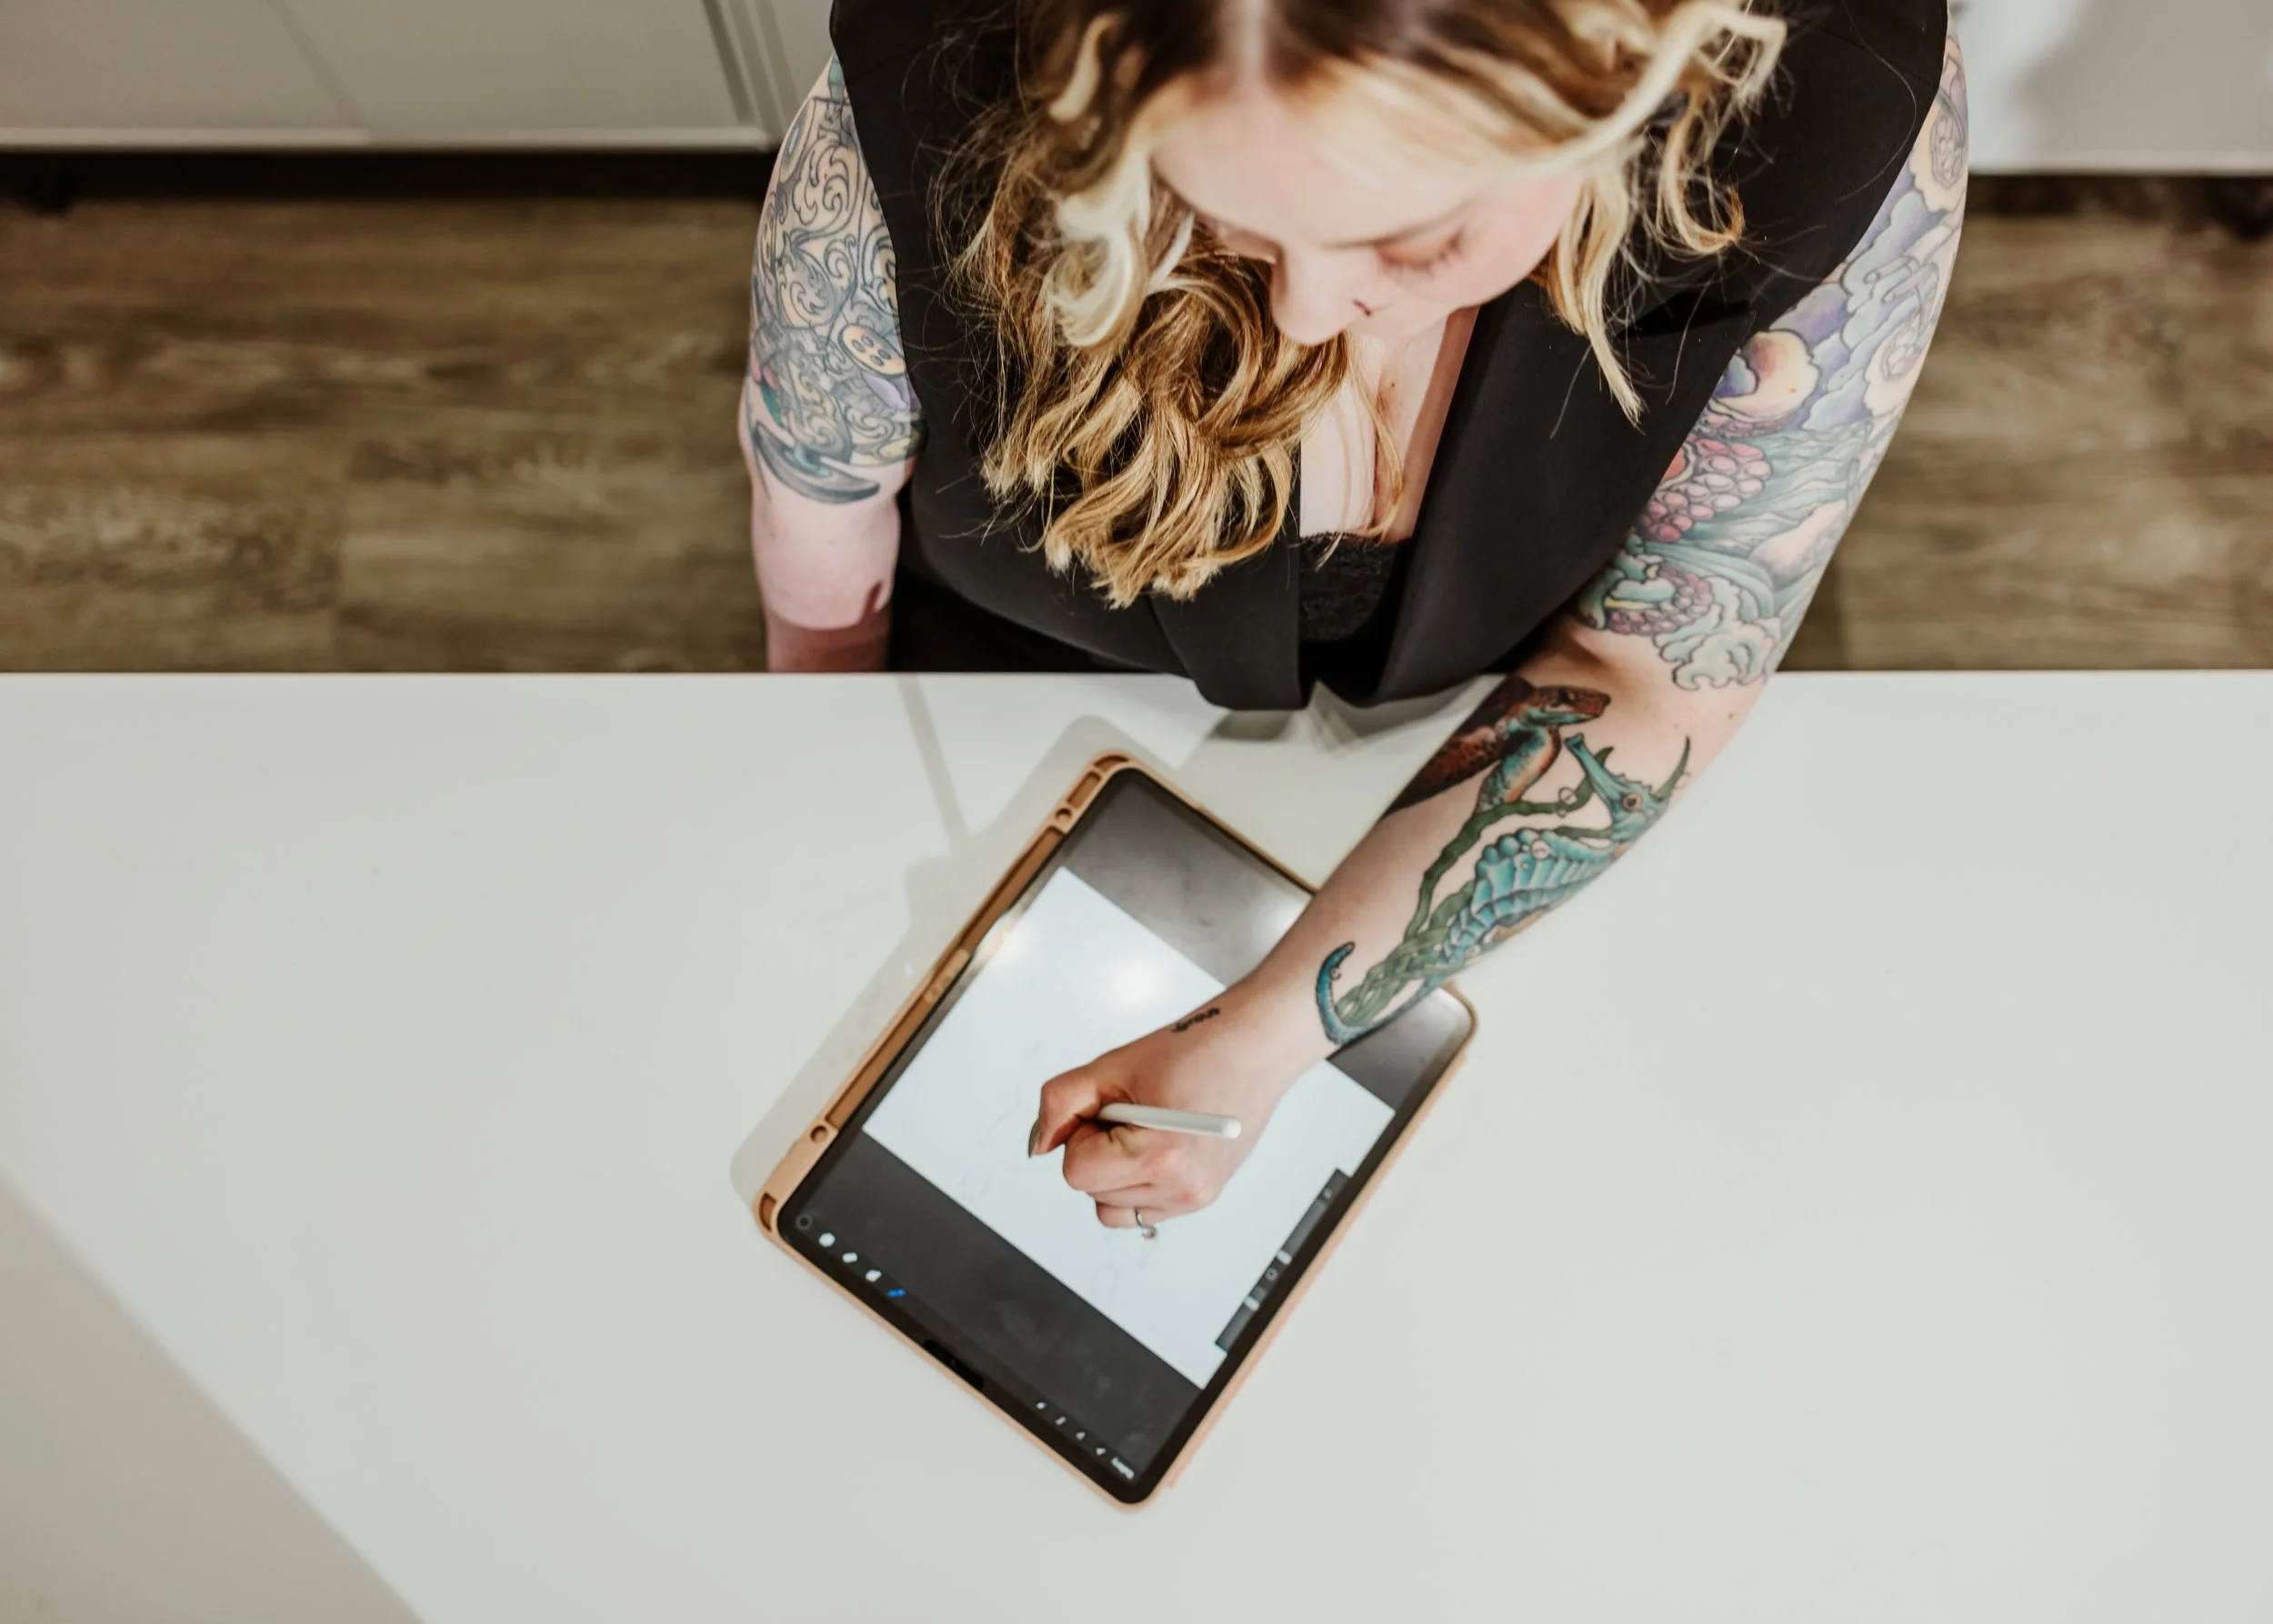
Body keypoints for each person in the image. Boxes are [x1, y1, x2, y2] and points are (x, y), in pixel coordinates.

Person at [740, 0, 1966, 1229]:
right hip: (1012, 715)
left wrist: (1264, 1038)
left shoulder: (1833, 106)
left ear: (1609, 62)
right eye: (1222, 209)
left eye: (1411, 240)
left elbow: (1656, 668)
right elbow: (822, 506)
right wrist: (825, 788)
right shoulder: (935, 76)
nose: (1308, 312)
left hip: (1469, 738)